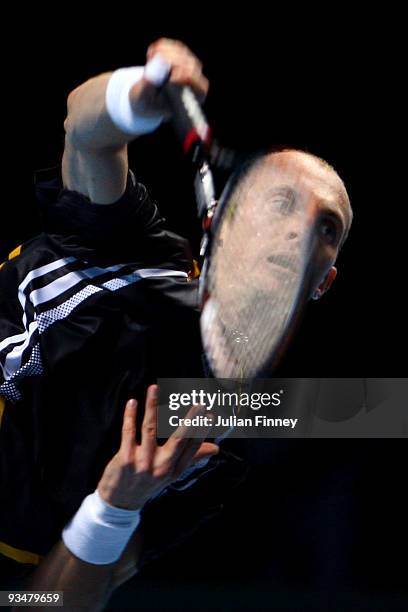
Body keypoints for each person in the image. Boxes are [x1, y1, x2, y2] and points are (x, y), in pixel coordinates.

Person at [0, 38, 353, 608]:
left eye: (328, 228)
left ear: (323, 282)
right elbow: (84, 129)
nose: (303, 229)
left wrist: (114, 507)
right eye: (281, 200)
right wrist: (138, 92)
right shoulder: (125, 248)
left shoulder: (210, 453)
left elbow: (44, 603)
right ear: (229, 213)